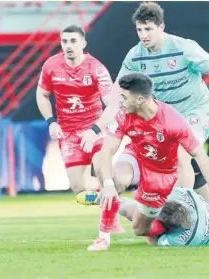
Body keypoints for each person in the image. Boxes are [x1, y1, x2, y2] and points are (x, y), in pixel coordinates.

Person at [88, 2, 209, 217]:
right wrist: (95, 129)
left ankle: (177, 214)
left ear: (161, 27)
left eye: (148, 29)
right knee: (180, 162)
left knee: (183, 154)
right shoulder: (135, 56)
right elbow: (116, 99)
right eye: (139, 29)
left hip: (196, 111)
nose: (143, 35)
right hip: (162, 119)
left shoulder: (183, 47)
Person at [87, 73, 209, 251]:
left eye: (124, 98)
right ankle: (103, 237)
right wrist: (108, 184)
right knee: (118, 179)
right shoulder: (123, 115)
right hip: (136, 155)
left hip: (161, 174)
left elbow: (199, 157)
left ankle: (126, 205)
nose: (120, 102)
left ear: (141, 99)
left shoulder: (173, 122)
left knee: (141, 229)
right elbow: (107, 152)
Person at [36, 24, 124, 233]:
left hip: (95, 128)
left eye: (73, 41)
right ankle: (114, 193)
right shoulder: (51, 65)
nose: (68, 46)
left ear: (83, 44)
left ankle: (112, 219)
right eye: (65, 41)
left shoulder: (96, 68)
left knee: (102, 168)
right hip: (68, 133)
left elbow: (111, 104)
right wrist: (51, 121)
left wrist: (94, 130)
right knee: (79, 189)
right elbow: (42, 95)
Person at [119, 187, 209, 247]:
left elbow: (152, 241)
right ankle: (115, 201)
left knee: (142, 217)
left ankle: (115, 201)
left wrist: (150, 228)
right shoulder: (186, 194)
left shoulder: (180, 240)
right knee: (144, 211)